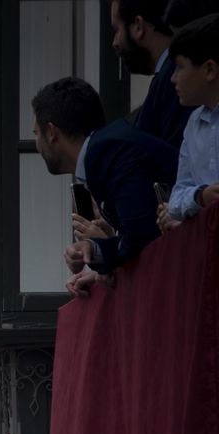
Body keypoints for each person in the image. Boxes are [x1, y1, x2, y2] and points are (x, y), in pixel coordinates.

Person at [31, 77, 178, 295]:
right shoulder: (104, 152)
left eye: (36, 133)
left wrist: (100, 251)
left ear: (52, 132)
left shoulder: (108, 153)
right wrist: (94, 249)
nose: (37, 145)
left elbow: (140, 235)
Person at [161, 14, 219, 228]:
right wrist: (200, 196)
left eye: (179, 66)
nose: (173, 78)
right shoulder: (193, 124)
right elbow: (176, 200)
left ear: (209, 70)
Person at [111, 0, 195, 147]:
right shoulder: (167, 76)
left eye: (117, 30)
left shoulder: (175, 81)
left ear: (138, 26)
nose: (115, 42)